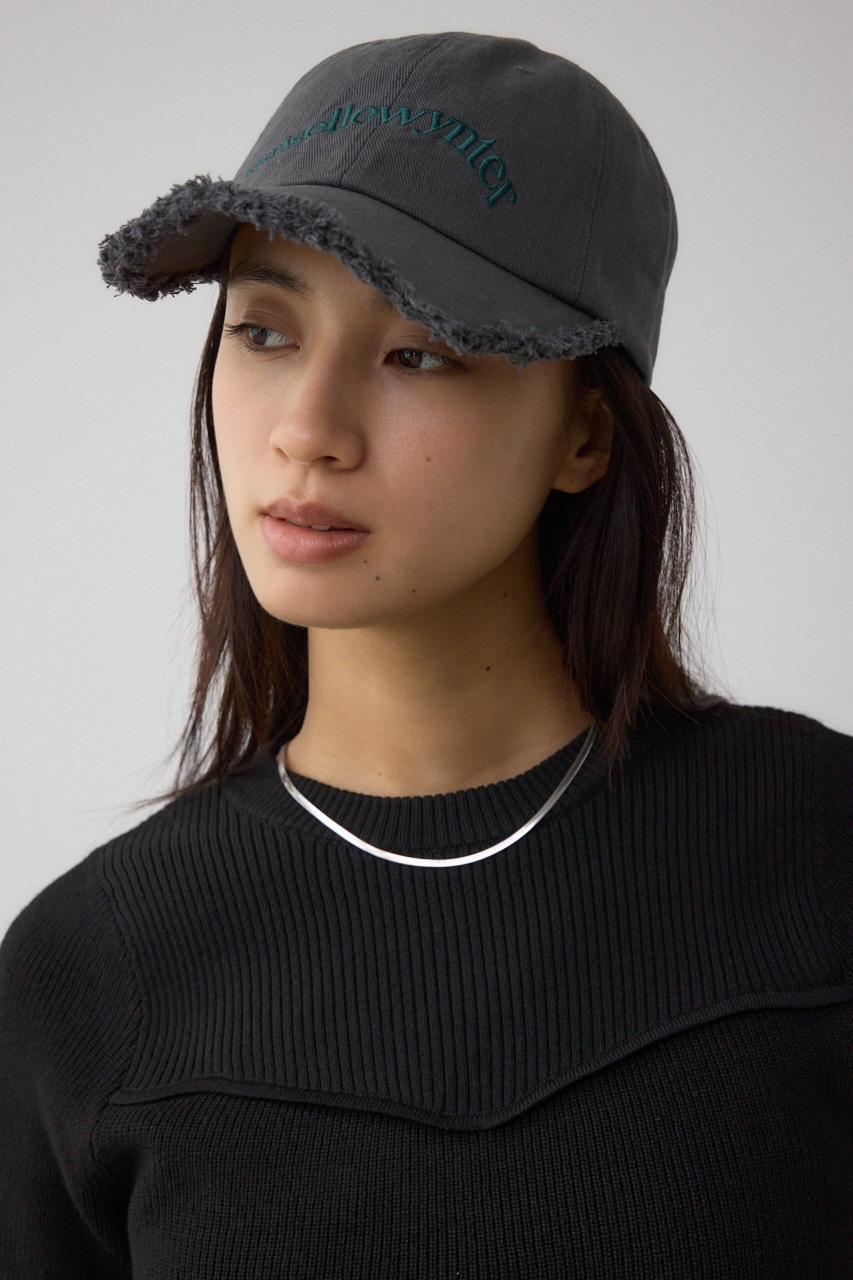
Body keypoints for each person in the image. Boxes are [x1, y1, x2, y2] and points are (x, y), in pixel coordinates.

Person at [1, 30, 851, 1278]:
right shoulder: (87, 975)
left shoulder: (816, 849)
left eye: (418, 353)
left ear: (587, 435)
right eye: (264, 331)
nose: (308, 430)